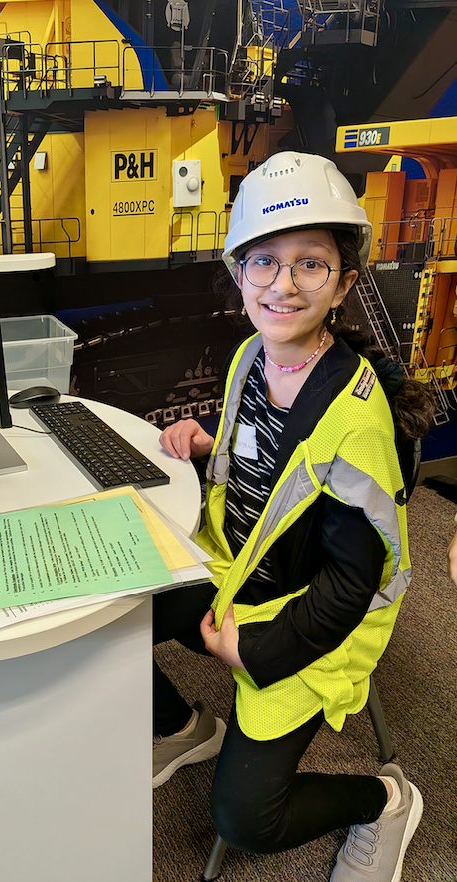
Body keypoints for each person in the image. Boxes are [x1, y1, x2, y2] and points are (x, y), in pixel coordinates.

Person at [154, 151, 435, 881]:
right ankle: (181, 726)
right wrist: (212, 447)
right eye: (265, 262)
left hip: (312, 614)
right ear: (239, 271)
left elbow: (351, 583)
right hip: (236, 567)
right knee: (117, 598)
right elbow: (275, 460)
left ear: (344, 283)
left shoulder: (358, 424)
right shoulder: (253, 355)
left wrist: (258, 653)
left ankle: (385, 801)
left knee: (247, 819)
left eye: (310, 264)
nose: (283, 284)